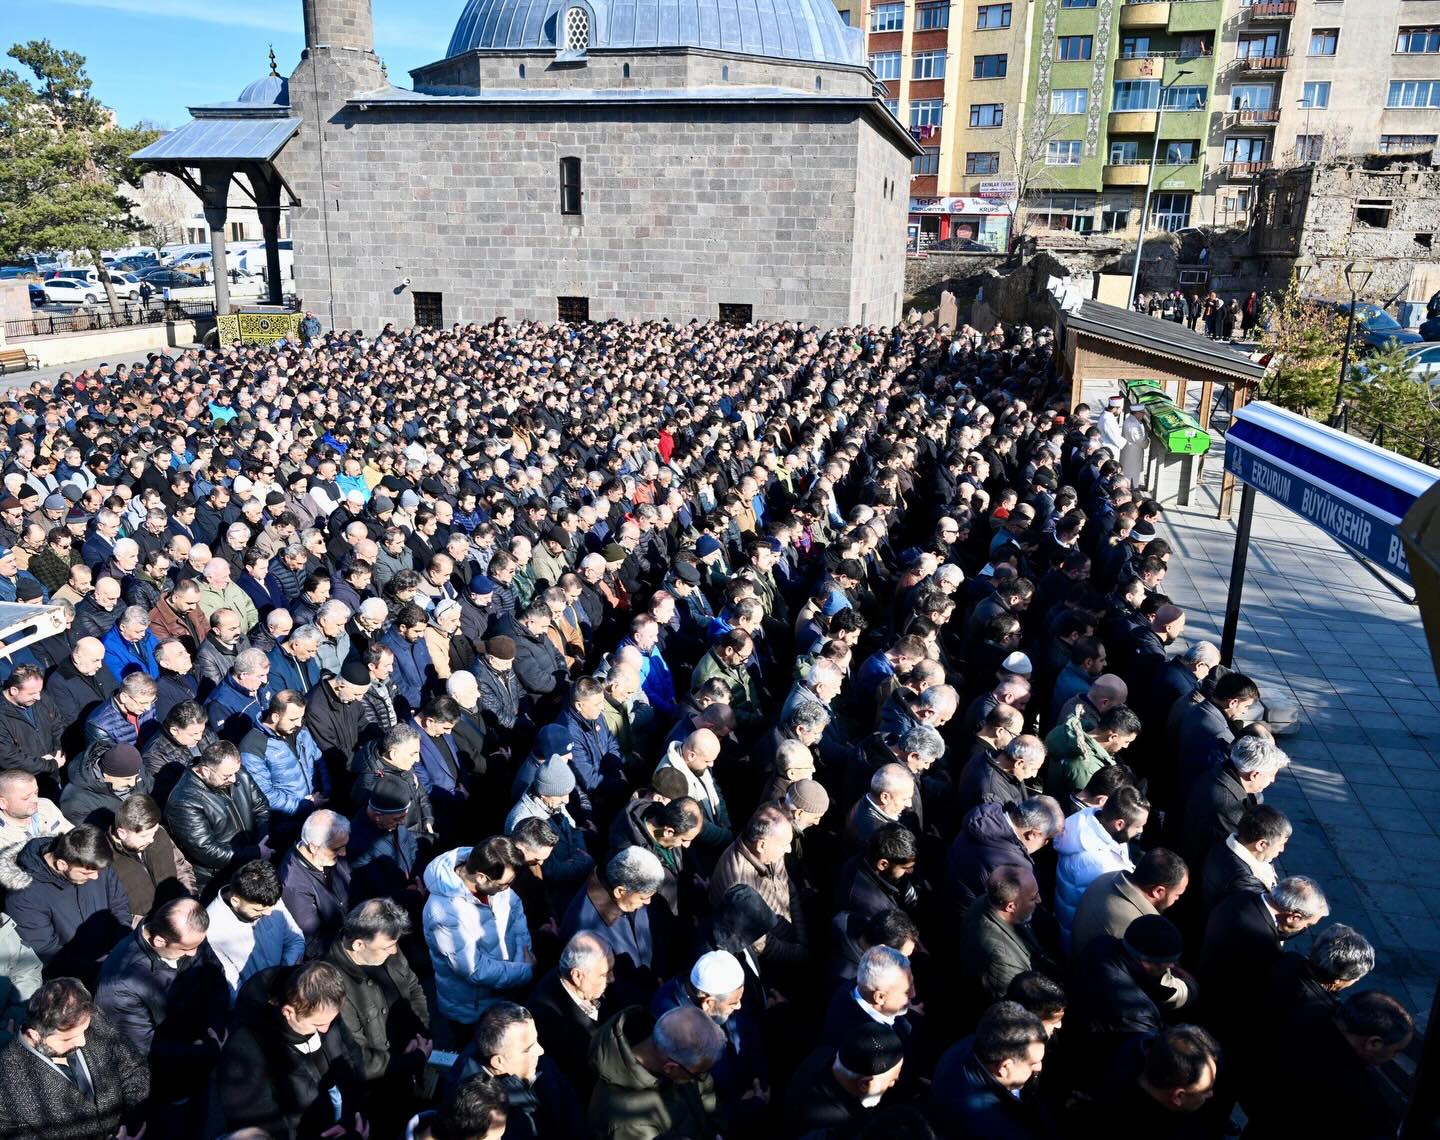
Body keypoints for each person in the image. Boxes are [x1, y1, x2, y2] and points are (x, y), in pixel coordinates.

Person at [94, 897, 230, 1125]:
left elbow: (215, 974)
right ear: (159, 941)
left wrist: (217, 1026)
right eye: (187, 949)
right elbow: (144, 1049)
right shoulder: (119, 985)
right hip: (170, 1081)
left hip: (202, 1055)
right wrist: (205, 1050)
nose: (194, 953)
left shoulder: (189, 937)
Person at [217, 960, 368, 1138]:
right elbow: (262, 1127)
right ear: (288, 1012)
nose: (326, 1029)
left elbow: (352, 1056)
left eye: (331, 1021)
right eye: (317, 1024)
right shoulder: (244, 1052)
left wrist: (353, 1114)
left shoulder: (321, 1009)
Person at [0, 978, 150, 1140]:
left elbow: (133, 1066)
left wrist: (131, 1123)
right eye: (67, 1039)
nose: (82, 1041)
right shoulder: (7, 1085)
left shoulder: (84, 1018)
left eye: (84, 1031)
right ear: (35, 1035)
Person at [324, 899, 430, 1115]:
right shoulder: (331, 984)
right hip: (377, 1095)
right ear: (358, 945)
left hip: (409, 1067)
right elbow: (356, 1056)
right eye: (387, 947)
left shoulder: (386, 943)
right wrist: (411, 1059)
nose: (394, 951)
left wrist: (420, 1033)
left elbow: (413, 986)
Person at [424, 836, 534, 1043]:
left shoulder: (495, 880)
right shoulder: (444, 913)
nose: (507, 888)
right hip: (473, 1010)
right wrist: (524, 970)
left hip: (505, 989)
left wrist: (522, 953)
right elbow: (474, 969)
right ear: (481, 877)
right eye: (504, 884)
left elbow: (516, 912)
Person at [0, 825, 132, 985]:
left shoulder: (91, 860)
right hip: (74, 981)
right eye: (86, 873)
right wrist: (103, 970)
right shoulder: (24, 897)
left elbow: (119, 905)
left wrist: (122, 946)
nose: (96, 877)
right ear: (62, 864)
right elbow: (48, 953)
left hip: (114, 962)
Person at [445, 1001, 583, 1140]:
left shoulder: (532, 1059)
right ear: (498, 1062)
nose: (540, 1050)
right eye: (528, 1048)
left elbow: (569, 1104)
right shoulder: (476, 1112)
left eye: (536, 1040)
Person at [588, 1004, 725, 1140]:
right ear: (670, 1068)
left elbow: (708, 1099)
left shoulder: (682, 1059)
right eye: (698, 1074)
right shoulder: (629, 1123)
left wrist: (718, 1130)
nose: (701, 1078)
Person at [928, 1001, 1051, 1139]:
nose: (1038, 1067)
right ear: (1004, 1067)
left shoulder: (972, 1043)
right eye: (1033, 1063)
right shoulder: (997, 1128)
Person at [164, 739, 270, 894]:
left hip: (252, 861)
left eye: (235, 772)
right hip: (221, 878)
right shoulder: (184, 802)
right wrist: (255, 852)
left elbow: (261, 808)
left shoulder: (235, 772)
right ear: (205, 771)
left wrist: (262, 842)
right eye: (226, 776)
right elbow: (207, 850)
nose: (234, 779)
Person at [1053, 785, 1149, 948]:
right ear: (1119, 824)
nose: (1141, 830)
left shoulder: (1088, 819)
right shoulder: (1100, 865)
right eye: (1138, 826)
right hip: (1080, 944)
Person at [957, 865, 1051, 1018]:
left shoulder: (987, 900)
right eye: (1033, 897)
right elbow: (1019, 1009)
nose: (1039, 900)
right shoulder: (1004, 959)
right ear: (1010, 906)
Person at [206, 857, 306, 996]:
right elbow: (232, 987)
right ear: (235, 901)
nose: (269, 913)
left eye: (271, 906)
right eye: (258, 910)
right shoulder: (212, 931)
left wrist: (283, 975)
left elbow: (295, 939)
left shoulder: (268, 898)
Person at [784, 1023, 906, 1137]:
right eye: (892, 1079)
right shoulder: (844, 1129)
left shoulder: (822, 1054)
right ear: (865, 1084)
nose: (894, 1082)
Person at [1070, 846, 1189, 955]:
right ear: (1158, 891)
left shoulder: (1107, 877)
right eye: (1177, 894)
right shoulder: (1141, 926)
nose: (1177, 898)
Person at [280, 808, 353, 954]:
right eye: (337, 849)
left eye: (345, 846)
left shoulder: (327, 855)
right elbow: (314, 941)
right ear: (313, 847)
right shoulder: (294, 886)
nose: (344, 853)